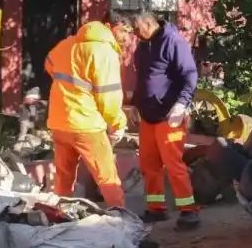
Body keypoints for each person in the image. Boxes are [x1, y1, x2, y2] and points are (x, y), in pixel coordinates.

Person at [44, 19, 129, 209]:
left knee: (63, 178)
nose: (126, 37)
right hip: (86, 124)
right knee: (107, 177)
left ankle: (60, 216)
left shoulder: (66, 44)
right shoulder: (105, 52)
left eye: (128, 32)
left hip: (59, 121)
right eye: (123, 31)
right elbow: (109, 98)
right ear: (109, 27)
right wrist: (117, 123)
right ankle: (122, 221)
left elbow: (49, 64)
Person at [127, 12, 200, 230]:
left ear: (148, 24)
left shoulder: (173, 42)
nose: (135, 35)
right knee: (149, 165)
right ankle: (156, 208)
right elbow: (143, 79)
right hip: (148, 116)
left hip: (170, 115)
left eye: (137, 29)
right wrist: (134, 104)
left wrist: (182, 105)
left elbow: (189, 74)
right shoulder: (143, 46)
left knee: (173, 164)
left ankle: (189, 211)